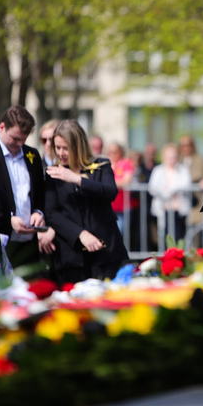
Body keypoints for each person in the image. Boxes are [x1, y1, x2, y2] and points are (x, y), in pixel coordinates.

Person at [44, 120, 129, 284]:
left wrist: (77, 179)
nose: (61, 153)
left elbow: (110, 192)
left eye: (65, 148)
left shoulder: (101, 165)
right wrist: (80, 234)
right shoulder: (53, 173)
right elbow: (51, 213)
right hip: (72, 257)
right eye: (57, 147)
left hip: (105, 253)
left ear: (78, 146)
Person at [0, 105, 48, 275]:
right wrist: (10, 219)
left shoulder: (32, 155)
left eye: (24, 139)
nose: (19, 144)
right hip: (0, 241)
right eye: (15, 138)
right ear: (2, 127)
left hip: (29, 242)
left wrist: (38, 212)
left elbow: (39, 192)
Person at [149, 143, 193, 243]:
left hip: (179, 208)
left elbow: (187, 184)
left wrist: (172, 190)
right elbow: (152, 187)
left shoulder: (183, 169)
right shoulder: (158, 170)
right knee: (164, 237)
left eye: (174, 157)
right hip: (163, 208)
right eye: (169, 157)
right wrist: (165, 193)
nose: (172, 159)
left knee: (179, 237)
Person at [107, 142, 138, 238]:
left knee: (120, 234)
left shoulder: (126, 163)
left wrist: (107, 184)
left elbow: (126, 181)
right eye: (110, 152)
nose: (112, 154)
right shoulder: (105, 164)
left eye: (115, 152)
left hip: (122, 208)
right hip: (108, 206)